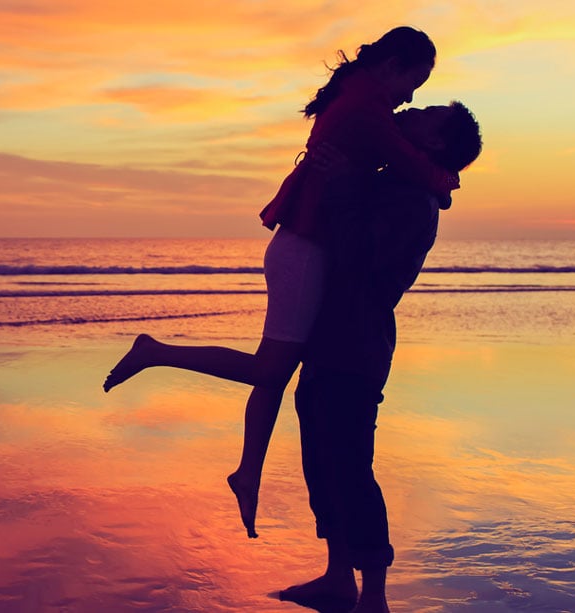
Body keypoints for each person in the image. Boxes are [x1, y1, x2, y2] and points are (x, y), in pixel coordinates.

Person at [104, 26, 456, 540]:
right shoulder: (367, 107)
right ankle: (155, 351)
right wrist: (446, 183)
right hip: (305, 246)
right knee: (270, 366)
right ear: (393, 65)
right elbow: (413, 167)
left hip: (305, 239)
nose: (410, 97)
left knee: (274, 373)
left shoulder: (360, 94)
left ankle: (249, 473)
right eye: (413, 83)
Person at [277, 102, 483, 613]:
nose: (411, 109)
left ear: (434, 142)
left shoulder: (413, 199)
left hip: (356, 340)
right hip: (336, 334)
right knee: (322, 459)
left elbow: (358, 257)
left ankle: (374, 597)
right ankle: (338, 577)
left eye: (427, 113)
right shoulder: (398, 181)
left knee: (348, 465)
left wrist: (345, 183)